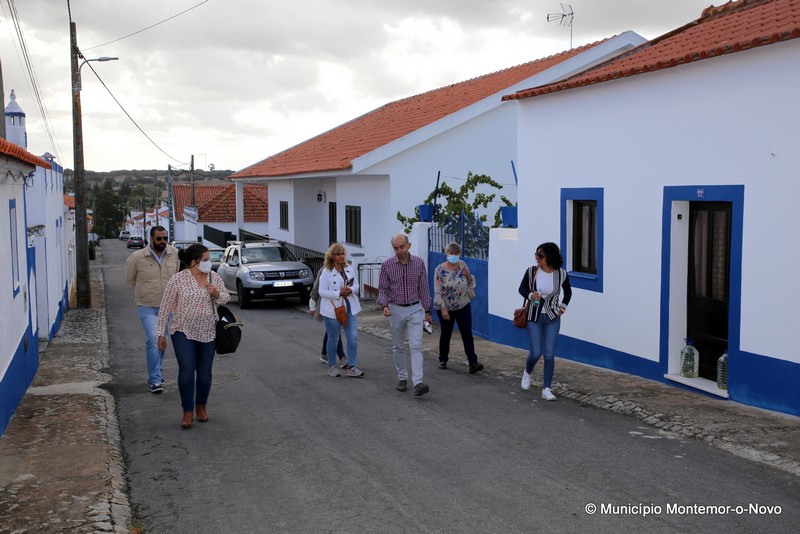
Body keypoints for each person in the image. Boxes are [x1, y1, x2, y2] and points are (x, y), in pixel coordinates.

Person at [156, 244, 230, 429]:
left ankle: (201, 406)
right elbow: (165, 307)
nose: (209, 263)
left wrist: (214, 292)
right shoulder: (177, 280)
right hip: (182, 330)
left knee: (205, 373)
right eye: (205, 259)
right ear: (194, 262)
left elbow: (225, 298)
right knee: (187, 369)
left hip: (208, 330)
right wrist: (160, 334)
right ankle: (187, 411)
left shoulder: (214, 276)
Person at [125, 225, 180, 394]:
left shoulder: (174, 254)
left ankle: (158, 371)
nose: (163, 241)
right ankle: (154, 380)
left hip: (169, 307)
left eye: (165, 238)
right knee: (153, 339)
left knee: (162, 343)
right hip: (147, 307)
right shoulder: (137, 257)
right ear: (151, 239)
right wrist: (147, 292)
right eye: (159, 239)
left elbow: (178, 275)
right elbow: (130, 280)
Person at [377, 234, 433, 396]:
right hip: (395, 308)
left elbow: (423, 288)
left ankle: (418, 382)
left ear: (409, 246)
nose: (399, 251)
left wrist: (427, 310)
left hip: (415, 308)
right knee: (398, 346)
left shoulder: (418, 263)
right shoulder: (387, 265)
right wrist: (384, 305)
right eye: (396, 248)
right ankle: (402, 377)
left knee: (416, 345)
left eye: (402, 247)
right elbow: (382, 288)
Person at [518, 242, 572, 401]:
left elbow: (568, 293)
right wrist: (530, 295)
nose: (537, 258)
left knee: (549, 354)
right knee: (536, 352)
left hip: (552, 318)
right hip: (533, 317)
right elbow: (521, 289)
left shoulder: (561, 274)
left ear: (550, 256)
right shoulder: (532, 271)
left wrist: (562, 308)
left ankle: (546, 388)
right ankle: (527, 372)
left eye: (540, 255)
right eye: (536, 254)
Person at [433, 242, 483, 374]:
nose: (454, 256)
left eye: (456, 254)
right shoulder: (440, 270)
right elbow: (438, 291)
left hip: (463, 304)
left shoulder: (462, 265)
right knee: (446, 333)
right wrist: (443, 309)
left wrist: (467, 275)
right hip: (446, 306)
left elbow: (471, 283)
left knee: (467, 333)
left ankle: (473, 362)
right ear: (446, 254)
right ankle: (443, 359)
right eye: (451, 253)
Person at [318, 243, 364, 378]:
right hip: (333, 309)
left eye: (343, 253)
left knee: (353, 337)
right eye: (338, 254)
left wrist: (351, 290)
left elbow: (356, 284)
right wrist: (339, 293)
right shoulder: (326, 272)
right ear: (332, 256)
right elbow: (321, 291)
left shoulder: (348, 268)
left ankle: (352, 366)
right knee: (333, 338)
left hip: (350, 306)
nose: (342, 256)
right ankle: (332, 366)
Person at [309, 268, 347, 367]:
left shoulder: (346, 269)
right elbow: (317, 288)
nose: (341, 257)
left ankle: (324, 354)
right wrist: (312, 305)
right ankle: (342, 356)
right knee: (335, 331)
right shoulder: (324, 270)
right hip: (329, 306)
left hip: (342, 305)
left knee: (332, 331)